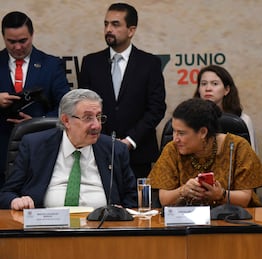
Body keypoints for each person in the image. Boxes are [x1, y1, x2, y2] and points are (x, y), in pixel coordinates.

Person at [0, 89, 137, 210]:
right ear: (66, 121)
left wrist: (121, 212)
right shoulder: (34, 145)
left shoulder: (114, 149)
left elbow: (132, 198)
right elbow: (7, 193)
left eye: (99, 117)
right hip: (46, 230)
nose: (96, 125)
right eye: (88, 118)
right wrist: (16, 201)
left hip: (101, 230)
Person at [79, 3, 166, 178]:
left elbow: (156, 108)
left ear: (131, 30)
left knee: (135, 204)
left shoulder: (149, 64)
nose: (108, 29)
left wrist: (130, 141)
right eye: (106, 24)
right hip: (97, 152)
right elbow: (83, 107)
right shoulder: (91, 63)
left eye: (115, 24)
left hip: (138, 153)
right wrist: (102, 141)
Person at [149, 98, 262, 207]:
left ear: (202, 132)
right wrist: (183, 191)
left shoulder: (237, 146)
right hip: (185, 221)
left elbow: (245, 198)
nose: (175, 138)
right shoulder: (172, 149)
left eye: (181, 133)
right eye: (174, 131)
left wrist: (221, 194)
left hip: (230, 221)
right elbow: (164, 199)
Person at [0, 11, 70, 187]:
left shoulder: (52, 65)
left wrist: (39, 122)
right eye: (11, 41)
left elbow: (66, 106)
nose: (17, 47)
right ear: (3, 37)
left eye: (23, 41)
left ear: (32, 35)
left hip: (40, 151)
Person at [193, 65, 257, 152]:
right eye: (203, 84)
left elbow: (251, 157)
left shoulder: (242, 120)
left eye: (214, 84)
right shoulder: (187, 119)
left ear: (226, 90)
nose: (208, 89)